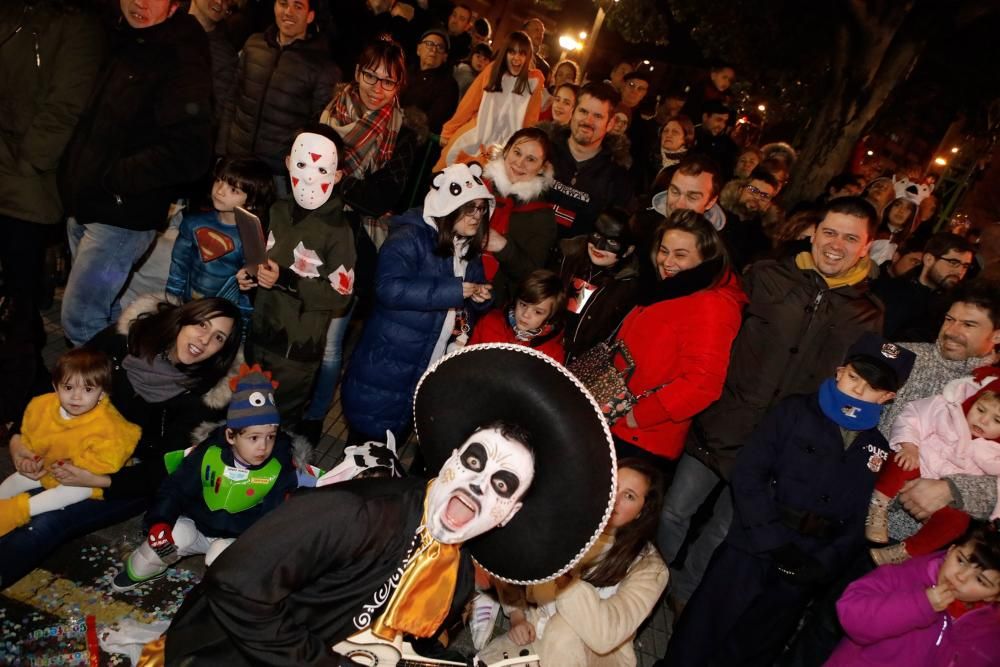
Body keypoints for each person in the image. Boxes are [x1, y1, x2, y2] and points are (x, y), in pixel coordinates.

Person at [146, 345, 618, 665]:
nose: (478, 486)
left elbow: (406, 643)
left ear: (509, 512)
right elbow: (233, 585)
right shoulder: (354, 514)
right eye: (474, 460)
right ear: (451, 461)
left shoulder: (454, 576)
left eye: (501, 483)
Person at [660, 197, 884, 621]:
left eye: (850, 238)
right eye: (830, 232)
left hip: (777, 445)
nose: (836, 244)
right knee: (674, 510)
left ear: (866, 248)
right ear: (812, 232)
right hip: (723, 422)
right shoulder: (766, 276)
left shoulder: (867, 314)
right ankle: (642, 581)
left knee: (725, 529)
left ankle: (684, 592)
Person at [662, 334, 915, 666]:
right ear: (840, 371)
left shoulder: (877, 447)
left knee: (754, 647)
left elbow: (860, 515)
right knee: (703, 632)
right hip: (752, 545)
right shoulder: (795, 411)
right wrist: (773, 541)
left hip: (805, 564)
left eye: (871, 387)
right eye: (854, 377)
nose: (857, 390)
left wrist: (824, 564)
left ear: (887, 396)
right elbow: (750, 474)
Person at [0, 296, 241, 588]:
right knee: (10, 491)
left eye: (218, 337)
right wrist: (18, 440)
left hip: (129, 476)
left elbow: (164, 470)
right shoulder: (127, 339)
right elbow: (62, 379)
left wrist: (98, 479)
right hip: (73, 440)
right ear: (182, 320)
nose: (204, 340)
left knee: (45, 523)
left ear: (221, 350)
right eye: (201, 324)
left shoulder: (206, 398)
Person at [59, 0, 214, 347]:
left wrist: (116, 178)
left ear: (176, 4)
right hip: (89, 204)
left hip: (121, 217)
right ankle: (130, 386)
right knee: (103, 314)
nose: (139, 3)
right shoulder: (123, 37)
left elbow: (191, 151)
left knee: (80, 319)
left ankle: (102, 397)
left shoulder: (180, 56)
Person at [304, 39, 423, 439]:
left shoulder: (402, 131)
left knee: (331, 341)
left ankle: (314, 416)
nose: (376, 87)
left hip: (358, 241)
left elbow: (381, 198)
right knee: (297, 320)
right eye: (370, 75)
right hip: (311, 228)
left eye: (388, 82)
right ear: (357, 72)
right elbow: (306, 171)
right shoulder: (329, 112)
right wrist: (336, 182)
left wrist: (333, 181)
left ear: (399, 87)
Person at [340, 162, 494, 443]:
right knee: (363, 451)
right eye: (470, 208)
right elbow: (388, 288)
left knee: (391, 451)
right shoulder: (409, 237)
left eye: (482, 208)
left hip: (425, 364)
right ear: (449, 204)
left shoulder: (467, 248)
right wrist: (455, 291)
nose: (477, 216)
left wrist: (480, 299)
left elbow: (467, 304)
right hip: (388, 366)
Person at [111, 364, 299, 591]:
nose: (263, 447)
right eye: (253, 438)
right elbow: (175, 488)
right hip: (197, 525)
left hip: (237, 537)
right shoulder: (209, 453)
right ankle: (140, 570)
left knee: (222, 563)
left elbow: (276, 519)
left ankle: (221, 594)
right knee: (162, 545)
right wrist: (160, 521)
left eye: (270, 436)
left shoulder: (280, 467)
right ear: (231, 435)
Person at [477, 458, 668, 666]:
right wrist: (517, 616)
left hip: (594, 657)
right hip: (535, 635)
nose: (615, 499)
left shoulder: (650, 568)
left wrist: (562, 571)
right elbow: (514, 566)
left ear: (642, 511)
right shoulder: (571, 524)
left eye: (629, 496)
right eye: (613, 487)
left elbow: (605, 635)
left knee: (563, 630)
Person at [0, 0, 102, 354]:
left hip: (26, 183)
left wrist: (30, 160)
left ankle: (23, 385)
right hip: (9, 167)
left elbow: (67, 104)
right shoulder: (13, 13)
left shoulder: (76, 24)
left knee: (19, 301)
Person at [236, 125, 356, 423]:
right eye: (302, 164)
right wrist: (252, 276)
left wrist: (288, 280)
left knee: (278, 420)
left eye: (320, 167)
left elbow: (341, 294)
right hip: (261, 331)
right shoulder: (278, 210)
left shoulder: (339, 231)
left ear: (337, 174)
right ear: (289, 162)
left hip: (296, 349)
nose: (310, 175)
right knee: (245, 410)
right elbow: (267, 262)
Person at [608, 210, 746, 463]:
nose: (667, 261)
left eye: (680, 255)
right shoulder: (667, 288)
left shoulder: (712, 305)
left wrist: (637, 416)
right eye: (664, 250)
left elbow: (702, 384)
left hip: (643, 438)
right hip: (617, 422)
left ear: (705, 257)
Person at [0, 349, 141, 537]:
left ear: (102, 394)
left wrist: (77, 467)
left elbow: (109, 461)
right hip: (47, 466)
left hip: (86, 477)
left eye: (88, 389)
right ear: (55, 386)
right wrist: (29, 457)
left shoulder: (110, 426)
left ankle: (23, 510)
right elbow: (31, 436)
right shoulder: (42, 406)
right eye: (68, 388)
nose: (76, 396)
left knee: (74, 492)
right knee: (17, 478)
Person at [867, 372, 1000, 565]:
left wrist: (996, 520)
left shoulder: (995, 453)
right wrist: (910, 446)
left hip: (940, 501)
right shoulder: (948, 411)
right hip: (918, 464)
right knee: (902, 461)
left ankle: (905, 551)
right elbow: (912, 416)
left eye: (997, 420)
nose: (983, 421)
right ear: (972, 402)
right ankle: (878, 507)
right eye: (980, 410)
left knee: (958, 521)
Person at [827, 520, 1000, 667]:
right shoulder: (904, 577)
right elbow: (851, 616)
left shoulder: (991, 635)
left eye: (981, 581)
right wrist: (921, 604)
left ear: (994, 596)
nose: (960, 576)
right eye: (960, 560)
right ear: (950, 550)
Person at [217, 0, 339, 189]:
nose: (288, 12)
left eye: (298, 6)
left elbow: (317, 125)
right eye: (283, 4)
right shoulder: (254, 44)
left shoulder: (323, 67)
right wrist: (221, 150)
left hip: (278, 174)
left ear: (310, 16)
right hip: (235, 161)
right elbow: (233, 99)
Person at [165, 157, 275, 314]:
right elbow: (179, 263)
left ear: (252, 201)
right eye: (218, 181)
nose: (220, 191)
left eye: (233, 190)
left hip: (224, 312)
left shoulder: (251, 240)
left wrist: (242, 323)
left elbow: (248, 289)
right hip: (186, 303)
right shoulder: (193, 223)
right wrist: (172, 298)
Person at [435, 30, 545, 170]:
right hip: (476, 137)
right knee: (448, 177)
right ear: (505, 53)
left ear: (528, 56)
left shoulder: (533, 82)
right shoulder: (492, 71)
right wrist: (449, 130)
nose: (516, 58)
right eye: (512, 52)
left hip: (506, 151)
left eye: (522, 53)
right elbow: (469, 103)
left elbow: (530, 122)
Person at [481, 127, 557, 306]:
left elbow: (531, 276)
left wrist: (505, 248)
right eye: (517, 152)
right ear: (506, 151)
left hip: (495, 303)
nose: (520, 163)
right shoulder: (476, 187)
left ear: (542, 168)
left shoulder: (542, 216)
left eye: (531, 159)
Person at [546, 82, 634, 238]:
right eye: (583, 111)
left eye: (598, 116)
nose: (588, 121)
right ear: (572, 112)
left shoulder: (617, 176)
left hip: (576, 259)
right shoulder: (542, 149)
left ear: (610, 124)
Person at [554, 208, 641, 363]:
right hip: (549, 347)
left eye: (612, 242)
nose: (599, 246)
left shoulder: (629, 287)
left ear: (628, 250)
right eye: (596, 235)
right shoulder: (568, 257)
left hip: (583, 364)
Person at [872, 232, 974, 342]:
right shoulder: (889, 290)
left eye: (965, 266)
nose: (959, 271)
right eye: (953, 262)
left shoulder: (955, 306)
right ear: (929, 259)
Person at [469, 269, 567, 363]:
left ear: (550, 316)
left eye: (538, 312)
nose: (525, 314)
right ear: (516, 300)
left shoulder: (552, 354)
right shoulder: (490, 322)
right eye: (523, 304)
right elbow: (468, 360)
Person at [400, 28, 460, 135]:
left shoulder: (449, 85)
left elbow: (435, 120)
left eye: (440, 47)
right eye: (429, 44)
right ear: (418, 49)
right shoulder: (405, 71)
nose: (434, 50)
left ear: (445, 57)